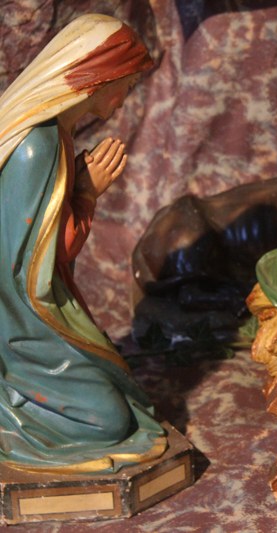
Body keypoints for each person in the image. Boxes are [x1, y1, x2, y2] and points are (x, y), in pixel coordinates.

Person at [0, 14, 167, 473]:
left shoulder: (52, 134)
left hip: (28, 314)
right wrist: (88, 194)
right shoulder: (37, 145)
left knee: (121, 403)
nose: (126, 97)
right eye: (126, 86)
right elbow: (37, 265)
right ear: (100, 79)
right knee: (107, 420)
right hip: (18, 324)